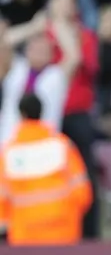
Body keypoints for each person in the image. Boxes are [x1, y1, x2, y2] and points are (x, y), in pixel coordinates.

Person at [0, 93, 92, 245]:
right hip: (64, 233)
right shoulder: (63, 146)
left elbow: (2, 203)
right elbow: (83, 193)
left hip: (24, 239)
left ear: (22, 114)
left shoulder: (9, 154)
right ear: (41, 113)